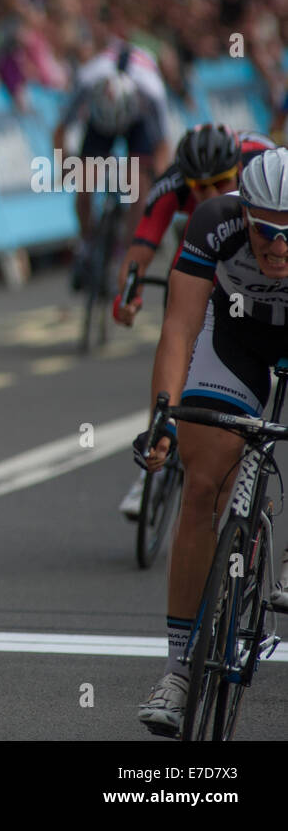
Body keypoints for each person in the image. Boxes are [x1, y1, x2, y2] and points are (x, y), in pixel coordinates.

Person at [135, 148, 288, 736]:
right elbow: (179, 325)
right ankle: (177, 671)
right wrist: (163, 419)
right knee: (201, 487)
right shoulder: (213, 223)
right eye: (266, 231)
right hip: (237, 341)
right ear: (243, 214)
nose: (277, 246)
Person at [112, 124, 272, 520]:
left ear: (236, 172)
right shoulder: (172, 185)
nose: (207, 196)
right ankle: (160, 446)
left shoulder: (260, 165)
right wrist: (125, 296)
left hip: (252, 256)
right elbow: (141, 248)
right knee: (179, 322)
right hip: (207, 242)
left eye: (218, 185)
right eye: (196, 187)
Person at [53, 40, 169, 283]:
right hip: (98, 121)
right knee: (83, 181)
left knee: (137, 185)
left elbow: (162, 146)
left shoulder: (152, 90)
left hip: (137, 121)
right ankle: (86, 244)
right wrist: (63, 163)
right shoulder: (87, 81)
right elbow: (60, 129)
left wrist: (158, 181)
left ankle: (129, 254)